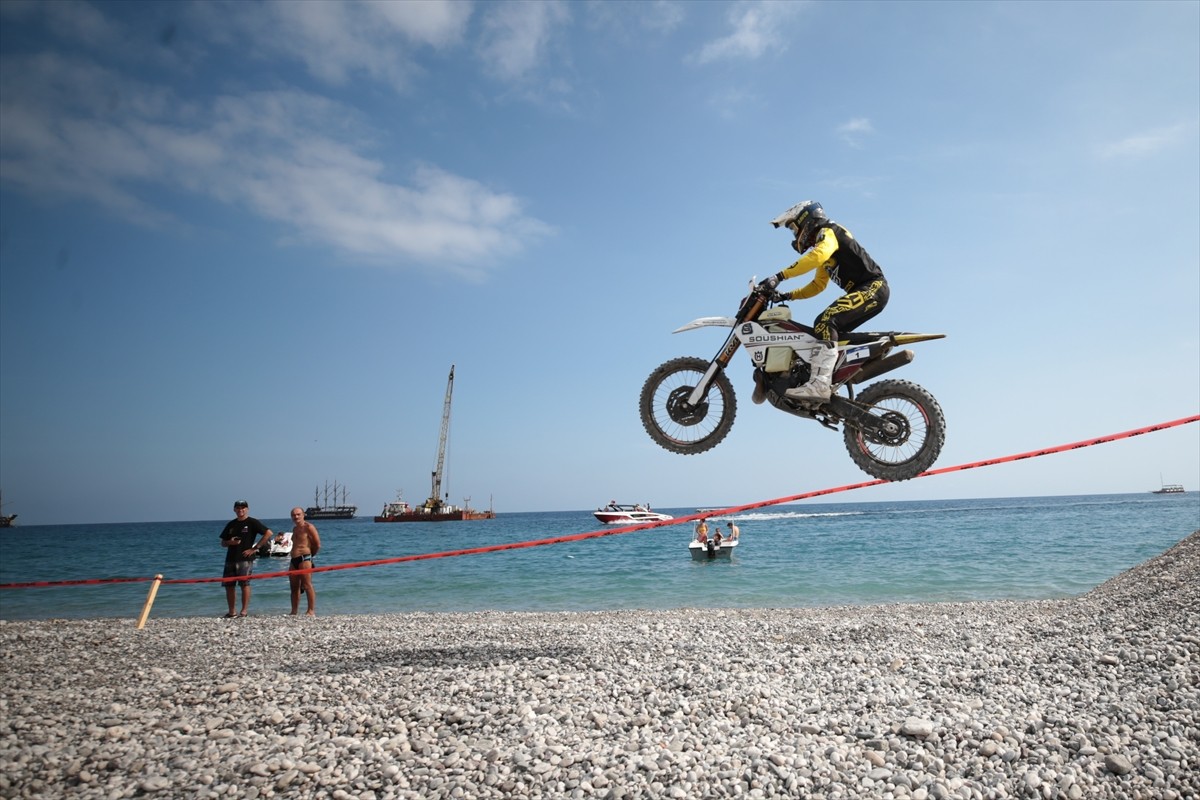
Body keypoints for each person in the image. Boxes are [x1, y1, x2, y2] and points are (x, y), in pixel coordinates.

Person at [759, 200, 889, 402]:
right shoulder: (826, 247)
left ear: (807, 219)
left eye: (794, 227)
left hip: (873, 287)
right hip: (867, 291)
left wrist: (779, 276)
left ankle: (820, 384)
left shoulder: (829, 232)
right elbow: (818, 285)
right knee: (829, 330)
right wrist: (787, 295)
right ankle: (831, 379)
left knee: (825, 321)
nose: (795, 234)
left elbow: (818, 256)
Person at [219, 500, 274, 617]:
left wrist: (255, 548)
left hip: (245, 559)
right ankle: (231, 611)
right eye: (238, 508)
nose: (240, 510)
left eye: (243, 508)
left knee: (244, 584)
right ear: (234, 510)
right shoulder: (231, 524)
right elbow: (223, 543)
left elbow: (269, 533)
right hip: (230, 559)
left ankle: (244, 611)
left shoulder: (252, 522)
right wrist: (230, 542)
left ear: (247, 509)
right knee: (229, 586)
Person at [287, 507, 321, 617]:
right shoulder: (295, 529)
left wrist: (310, 556)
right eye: (293, 515)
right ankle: (294, 611)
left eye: (298, 514)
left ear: (303, 515)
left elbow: (317, 544)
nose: (296, 517)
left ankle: (311, 610)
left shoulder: (309, 527)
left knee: (307, 585)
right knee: (294, 586)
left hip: (304, 558)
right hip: (294, 559)